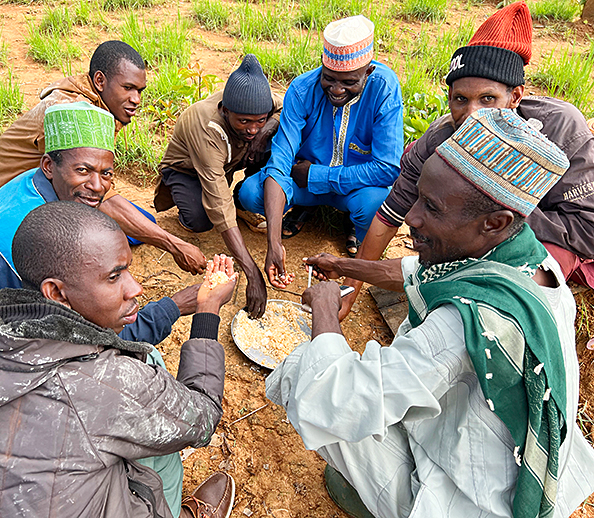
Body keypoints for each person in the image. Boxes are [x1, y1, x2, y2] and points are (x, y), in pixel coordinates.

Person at [269, 109, 594, 518]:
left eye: (433, 208)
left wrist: (324, 309)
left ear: (495, 221)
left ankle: (383, 500)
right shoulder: (534, 262)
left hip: (472, 502)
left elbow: (336, 399)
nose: (412, 217)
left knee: (305, 375)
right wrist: (348, 266)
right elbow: (418, 274)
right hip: (512, 463)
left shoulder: (465, 322)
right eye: (418, 196)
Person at [0, 201, 238, 518]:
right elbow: (202, 417)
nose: (136, 288)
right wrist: (208, 311)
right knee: (158, 432)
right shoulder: (110, 383)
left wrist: (173, 306)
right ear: (56, 292)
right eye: (114, 277)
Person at [0, 102, 198, 397]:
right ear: (49, 166)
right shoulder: (40, 240)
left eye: (106, 173)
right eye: (83, 170)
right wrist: (176, 306)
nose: (97, 186)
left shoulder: (28, 185)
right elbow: (94, 338)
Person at [339, 1, 594, 320]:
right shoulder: (439, 138)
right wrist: (349, 290)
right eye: (460, 99)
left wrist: (500, 220)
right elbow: (390, 215)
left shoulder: (561, 129)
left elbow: (588, 230)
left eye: (488, 99)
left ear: (515, 97)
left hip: (546, 243)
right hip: (481, 233)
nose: (472, 115)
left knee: (502, 294)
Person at [0, 39, 206, 274]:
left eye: (140, 91)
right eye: (128, 88)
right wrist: (174, 245)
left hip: (44, 188)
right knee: (95, 250)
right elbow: (99, 195)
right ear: (100, 81)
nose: (136, 99)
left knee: (141, 224)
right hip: (4, 208)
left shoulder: (93, 103)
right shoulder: (74, 113)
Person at [237, 15, 403, 289]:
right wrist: (274, 243)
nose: (336, 90)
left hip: (348, 185)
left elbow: (387, 167)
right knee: (251, 194)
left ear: (368, 71)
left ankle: (359, 234)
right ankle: (305, 206)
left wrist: (318, 176)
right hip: (303, 179)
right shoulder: (303, 88)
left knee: (375, 208)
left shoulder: (384, 87)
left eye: (349, 82)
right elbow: (280, 163)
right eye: (329, 79)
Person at [156, 54, 283, 318]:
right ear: (225, 110)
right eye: (244, 122)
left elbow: (286, 108)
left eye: (259, 119)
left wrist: (266, 130)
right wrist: (252, 271)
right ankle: (186, 209)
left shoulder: (263, 108)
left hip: (226, 164)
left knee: (277, 142)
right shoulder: (204, 125)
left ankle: (243, 198)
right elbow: (218, 202)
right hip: (187, 170)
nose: (251, 128)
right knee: (202, 219)